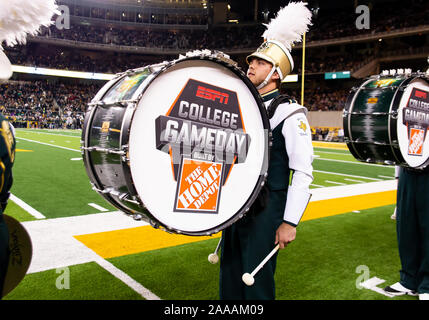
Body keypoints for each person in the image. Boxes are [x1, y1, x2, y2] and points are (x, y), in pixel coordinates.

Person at [219, 2, 313, 300]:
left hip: (267, 210)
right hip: (237, 205)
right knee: (230, 275)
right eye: (252, 61)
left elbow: (302, 171)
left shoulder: (291, 113)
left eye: (259, 63)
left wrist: (289, 222)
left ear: (274, 73)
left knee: (256, 283)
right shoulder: (244, 106)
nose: (251, 65)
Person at [384, 165, 429, 300]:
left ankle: (427, 283)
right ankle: (408, 279)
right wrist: (398, 178)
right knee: (406, 227)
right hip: (407, 171)